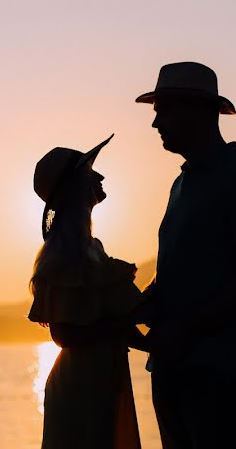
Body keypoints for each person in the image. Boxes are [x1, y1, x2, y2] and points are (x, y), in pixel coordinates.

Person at [135, 62, 236, 449]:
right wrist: (138, 305)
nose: (155, 124)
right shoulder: (181, 183)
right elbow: (177, 270)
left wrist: (183, 331)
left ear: (197, 110)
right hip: (170, 368)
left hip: (220, 373)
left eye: (162, 111)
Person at [28, 134, 148, 449]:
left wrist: (155, 344)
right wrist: (129, 327)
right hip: (81, 384)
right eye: (90, 171)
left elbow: (111, 319)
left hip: (101, 376)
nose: (100, 176)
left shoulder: (91, 249)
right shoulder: (66, 254)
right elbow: (64, 335)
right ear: (76, 186)